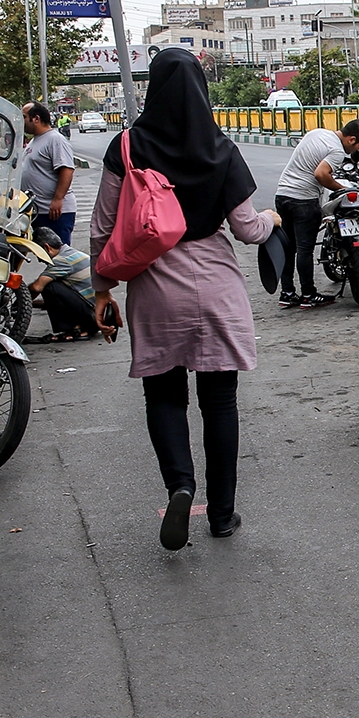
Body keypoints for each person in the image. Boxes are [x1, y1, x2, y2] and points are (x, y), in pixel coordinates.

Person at [89, 47, 281, 549]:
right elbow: (247, 229)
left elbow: (103, 227)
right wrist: (272, 220)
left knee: (164, 395)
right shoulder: (220, 146)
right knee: (220, 403)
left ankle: (180, 486)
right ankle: (222, 515)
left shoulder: (127, 146)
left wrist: (101, 290)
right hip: (217, 287)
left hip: (155, 286)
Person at [272, 119, 359, 310]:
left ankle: (287, 293)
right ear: (351, 139)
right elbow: (321, 174)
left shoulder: (318, 132)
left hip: (283, 194)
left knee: (289, 248)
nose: (356, 151)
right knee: (304, 250)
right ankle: (308, 295)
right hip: (303, 199)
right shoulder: (337, 151)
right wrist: (342, 189)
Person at [21, 102, 80, 245]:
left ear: (36, 118)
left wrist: (58, 199)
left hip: (54, 212)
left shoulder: (55, 139)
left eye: (24, 117)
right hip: (39, 211)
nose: (21, 121)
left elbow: (66, 170)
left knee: (58, 253)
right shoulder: (35, 141)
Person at [29, 226, 100, 342]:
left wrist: (22, 302)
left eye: (38, 255)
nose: (39, 260)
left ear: (47, 247)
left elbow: (36, 288)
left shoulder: (61, 260)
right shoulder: (72, 253)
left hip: (93, 316)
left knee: (50, 286)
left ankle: (73, 329)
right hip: (100, 313)